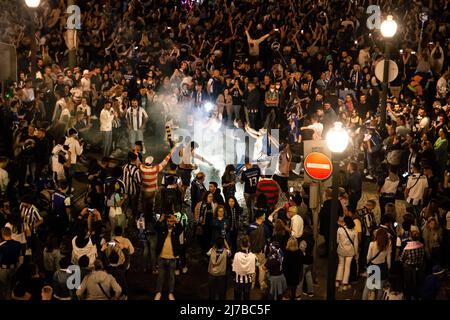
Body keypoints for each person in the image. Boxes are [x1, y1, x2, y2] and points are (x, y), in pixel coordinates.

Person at [154, 213, 183, 300]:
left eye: (171, 221)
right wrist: (161, 219)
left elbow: (181, 228)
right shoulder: (162, 229)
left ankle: (171, 293)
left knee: (171, 277)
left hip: (172, 258)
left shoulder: (176, 231)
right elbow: (156, 227)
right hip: (162, 257)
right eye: (168, 221)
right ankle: (158, 292)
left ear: (173, 222)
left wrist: (176, 220)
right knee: (160, 277)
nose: (170, 223)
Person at [362, 228, 392, 300]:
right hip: (382, 267)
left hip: (373, 266)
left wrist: (367, 265)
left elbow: (368, 257)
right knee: (380, 288)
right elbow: (388, 260)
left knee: (367, 287)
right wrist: (388, 268)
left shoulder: (372, 244)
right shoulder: (388, 245)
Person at [247, 210, 271, 290]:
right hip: (261, 251)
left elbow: (248, 238)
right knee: (261, 267)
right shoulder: (265, 227)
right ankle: (261, 284)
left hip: (252, 251)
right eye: (264, 215)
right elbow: (268, 239)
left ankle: (252, 284)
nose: (265, 217)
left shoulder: (250, 226)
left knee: (252, 267)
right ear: (261, 217)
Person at [0, 227, 24, 300]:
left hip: (3, 269)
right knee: (12, 287)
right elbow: (21, 259)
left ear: (3, 235)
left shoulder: (1, 245)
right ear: (10, 233)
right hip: (15, 268)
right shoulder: (18, 244)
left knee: (4, 287)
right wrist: (18, 268)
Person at [336, 216, 359, 292]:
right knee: (347, 267)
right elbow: (356, 244)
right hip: (350, 251)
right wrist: (356, 253)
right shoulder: (354, 231)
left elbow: (337, 241)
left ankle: (337, 281)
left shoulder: (340, 229)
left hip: (341, 250)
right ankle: (345, 283)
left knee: (340, 264)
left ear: (345, 222)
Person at [402, 229, 425, 300]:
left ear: (410, 237)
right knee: (418, 282)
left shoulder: (407, 248)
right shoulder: (421, 245)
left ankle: (408, 296)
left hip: (408, 267)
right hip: (418, 266)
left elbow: (402, 258)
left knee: (408, 283)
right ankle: (417, 296)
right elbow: (423, 255)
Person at [356, 199, 377, 275]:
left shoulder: (358, 211)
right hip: (366, 236)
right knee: (364, 253)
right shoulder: (368, 214)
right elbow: (369, 226)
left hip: (359, 234)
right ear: (371, 206)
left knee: (360, 253)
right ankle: (362, 269)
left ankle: (360, 268)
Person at [232, 236, 256, 300]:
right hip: (248, 281)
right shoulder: (253, 256)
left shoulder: (236, 255)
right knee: (247, 297)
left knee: (237, 297)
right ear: (249, 244)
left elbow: (234, 269)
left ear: (240, 244)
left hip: (238, 280)